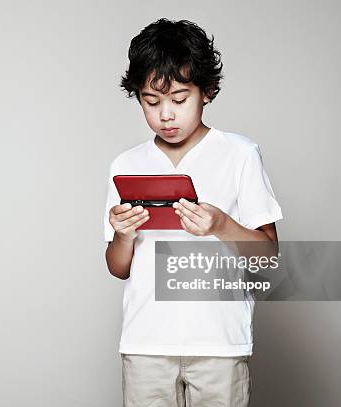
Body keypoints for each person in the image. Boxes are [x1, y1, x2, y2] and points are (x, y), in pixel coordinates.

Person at [103, 18, 283, 407]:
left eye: (179, 99)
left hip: (219, 343)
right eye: (151, 102)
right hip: (145, 342)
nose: (166, 114)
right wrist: (123, 236)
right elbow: (118, 267)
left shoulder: (239, 155)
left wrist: (220, 224)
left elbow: (269, 257)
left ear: (207, 92)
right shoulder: (126, 164)